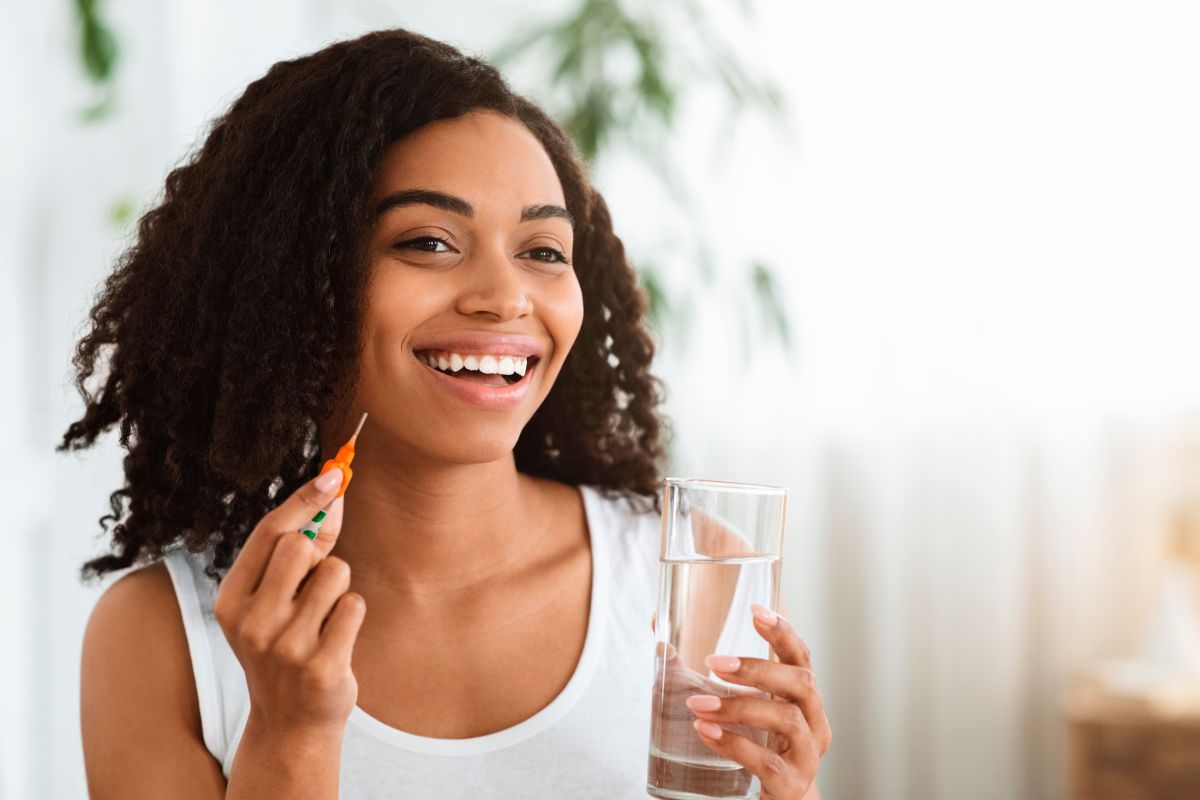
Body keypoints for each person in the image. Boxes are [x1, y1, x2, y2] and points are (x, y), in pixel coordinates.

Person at [62, 27, 830, 799]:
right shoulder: (162, 637)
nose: (504, 297)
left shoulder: (697, 574)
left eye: (543, 251)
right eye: (429, 242)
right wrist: (290, 733)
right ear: (295, 286)